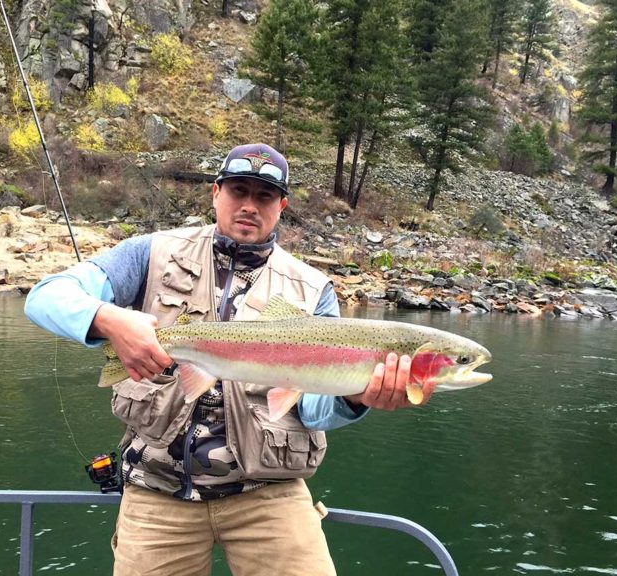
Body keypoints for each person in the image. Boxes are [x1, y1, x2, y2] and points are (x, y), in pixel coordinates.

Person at [24, 143, 435, 576]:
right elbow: (45, 296)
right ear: (215, 193)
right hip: (157, 492)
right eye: (239, 191)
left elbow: (312, 409)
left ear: (282, 206)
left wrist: (356, 398)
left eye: (264, 197)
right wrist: (107, 320)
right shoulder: (151, 254)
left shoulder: (313, 289)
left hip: (269, 495)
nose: (249, 206)